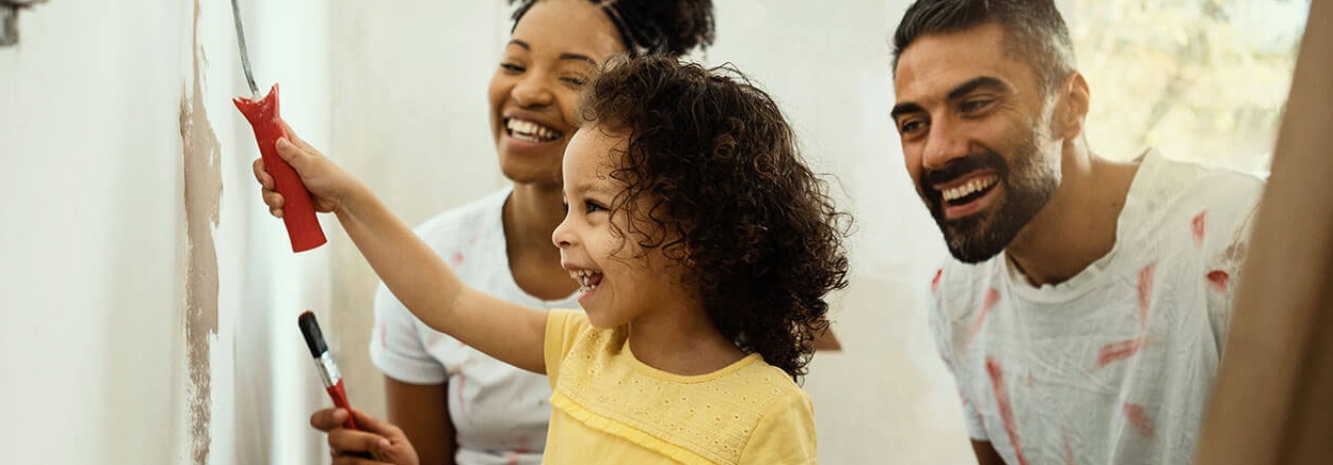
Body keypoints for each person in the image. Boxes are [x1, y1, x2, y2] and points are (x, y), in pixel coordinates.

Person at [260, 55, 848, 464]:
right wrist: (344, 198)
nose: (562, 232)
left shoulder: (767, 412)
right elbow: (448, 301)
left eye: (593, 207)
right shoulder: (582, 351)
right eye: (567, 206)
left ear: (693, 227)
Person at [886, 1, 1263, 464]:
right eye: (913, 125)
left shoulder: (1235, 238)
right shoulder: (956, 299)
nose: (938, 152)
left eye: (976, 105)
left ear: (1071, 107)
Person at [343, 1, 715, 464]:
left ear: (649, 108)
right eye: (513, 64)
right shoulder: (421, 270)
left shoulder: (691, 277)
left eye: (575, 78)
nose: (529, 91)